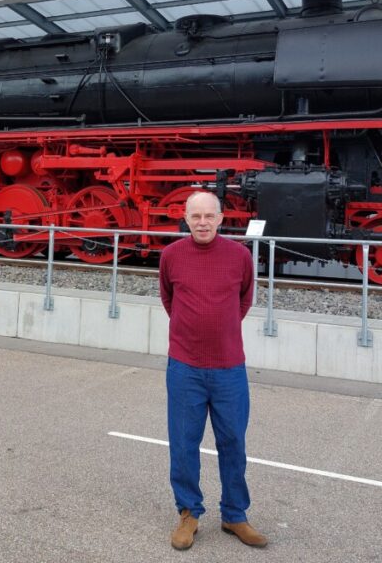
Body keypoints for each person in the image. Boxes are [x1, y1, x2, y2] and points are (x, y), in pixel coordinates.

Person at [158, 190, 267, 551]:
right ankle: (188, 512)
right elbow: (169, 299)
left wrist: (219, 329)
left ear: (221, 218)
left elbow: (245, 299)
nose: (202, 222)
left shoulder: (239, 256)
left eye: (209, 216)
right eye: (196, 216)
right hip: (184, 367)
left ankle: (235, 514)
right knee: (184, 445)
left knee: (233, 442)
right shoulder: (171, 256)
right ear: (186, 219)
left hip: (229, 368)